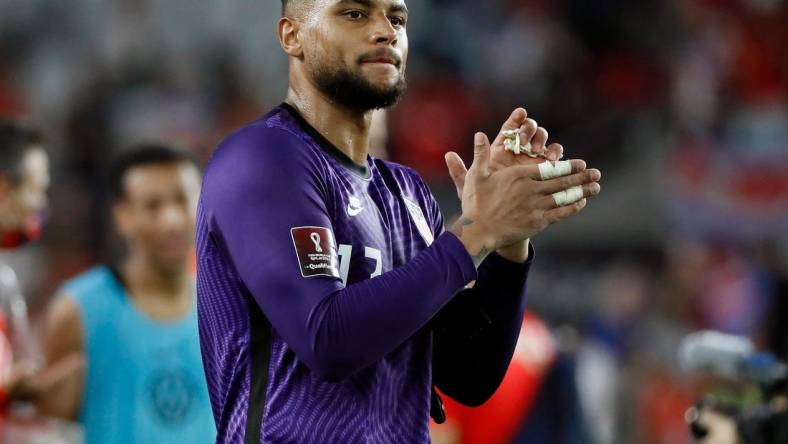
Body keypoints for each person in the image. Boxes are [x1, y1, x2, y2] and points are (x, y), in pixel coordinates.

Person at [196, 0, 602, 442]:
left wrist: (507, 242)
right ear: (292, 36)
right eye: (354, 14)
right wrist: (476, 232)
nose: (385, 31)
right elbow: (326, 340)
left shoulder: (408, 194)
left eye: (397, 18)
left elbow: (468, 377)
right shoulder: (263, 159)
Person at [38, 145, 215, 443]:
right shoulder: (79, 310)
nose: (171, 220)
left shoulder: (228, 308)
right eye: (153, 205)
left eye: (182, 200)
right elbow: (52, 426)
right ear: (123, 216)